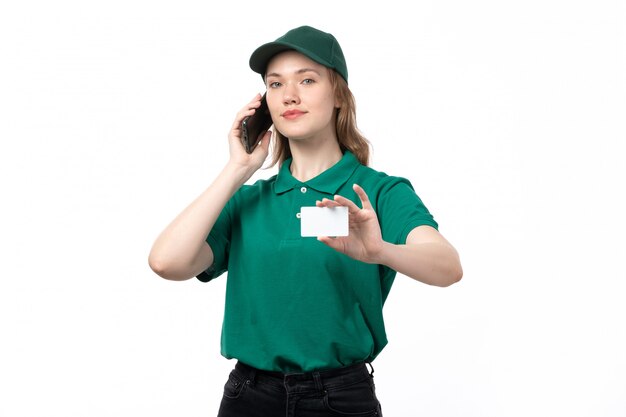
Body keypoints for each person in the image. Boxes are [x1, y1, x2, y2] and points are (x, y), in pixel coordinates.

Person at [149, 25, 462, 417]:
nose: (289, 95)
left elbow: (447, 267)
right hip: (249, 396)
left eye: (307, 80)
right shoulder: (246, 200)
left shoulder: (378, 192)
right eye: (275, 85)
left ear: (338, 96)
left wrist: (381, 250)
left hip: (341, 398)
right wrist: (237, 169)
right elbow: (166, 262)